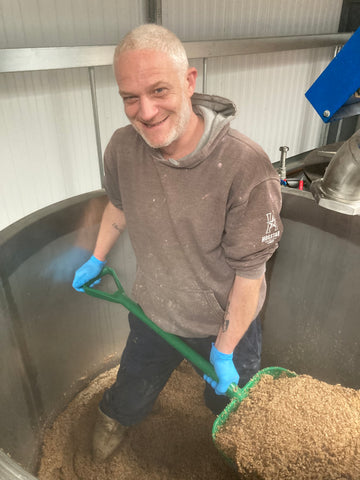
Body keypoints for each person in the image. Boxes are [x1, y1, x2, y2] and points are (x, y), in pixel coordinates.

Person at [72, 23, 283, 462]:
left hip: (226, 324)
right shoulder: (122, 148)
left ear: (189, 81)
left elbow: (250, 274)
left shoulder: (245, 166)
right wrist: (96, 258)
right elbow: (119, 205)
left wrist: (223, 351)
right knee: (130, 391)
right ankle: (113, 424)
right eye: (130, 97)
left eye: (159, 91)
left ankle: (228, 458)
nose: (144, 112)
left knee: (229, 409)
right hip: (154, 312)